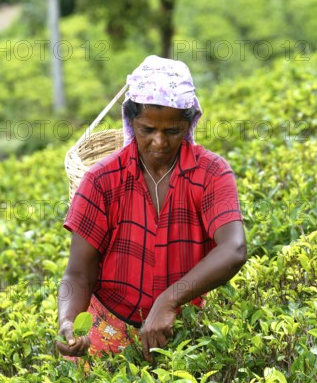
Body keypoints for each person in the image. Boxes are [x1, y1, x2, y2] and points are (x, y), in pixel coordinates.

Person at [56, 55, 247, 364]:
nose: (159, 142)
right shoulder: (101, 179)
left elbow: (234, 248)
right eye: (147, 129)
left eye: (172, 131)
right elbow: (78, 271)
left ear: (188, 123)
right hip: (107, 327)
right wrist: (67, 321)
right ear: (131, 122)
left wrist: (170, 300)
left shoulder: (211, 172)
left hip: (181, 330)